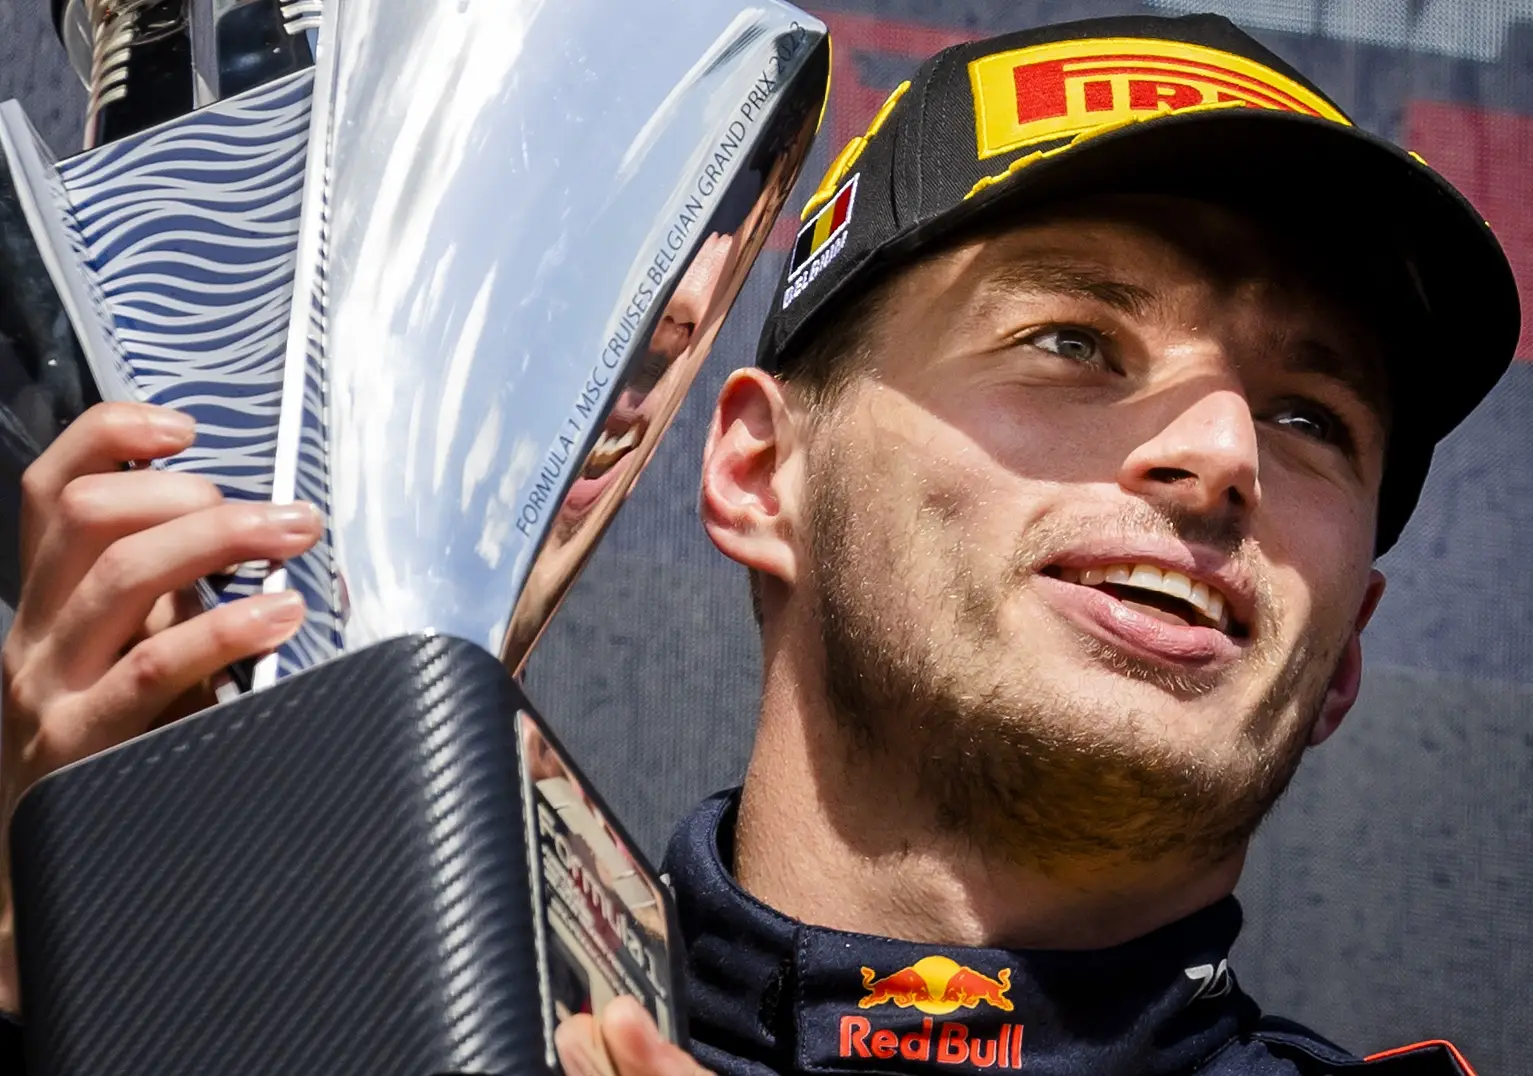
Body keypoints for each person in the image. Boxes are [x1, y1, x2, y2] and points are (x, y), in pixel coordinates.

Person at [0, 13, 1518, 1076]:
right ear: (755, 468)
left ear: (1348, 651)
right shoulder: (382, 1011)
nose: (1222, 454)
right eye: (1073, 340)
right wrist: (80, 960)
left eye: (1313, 416)